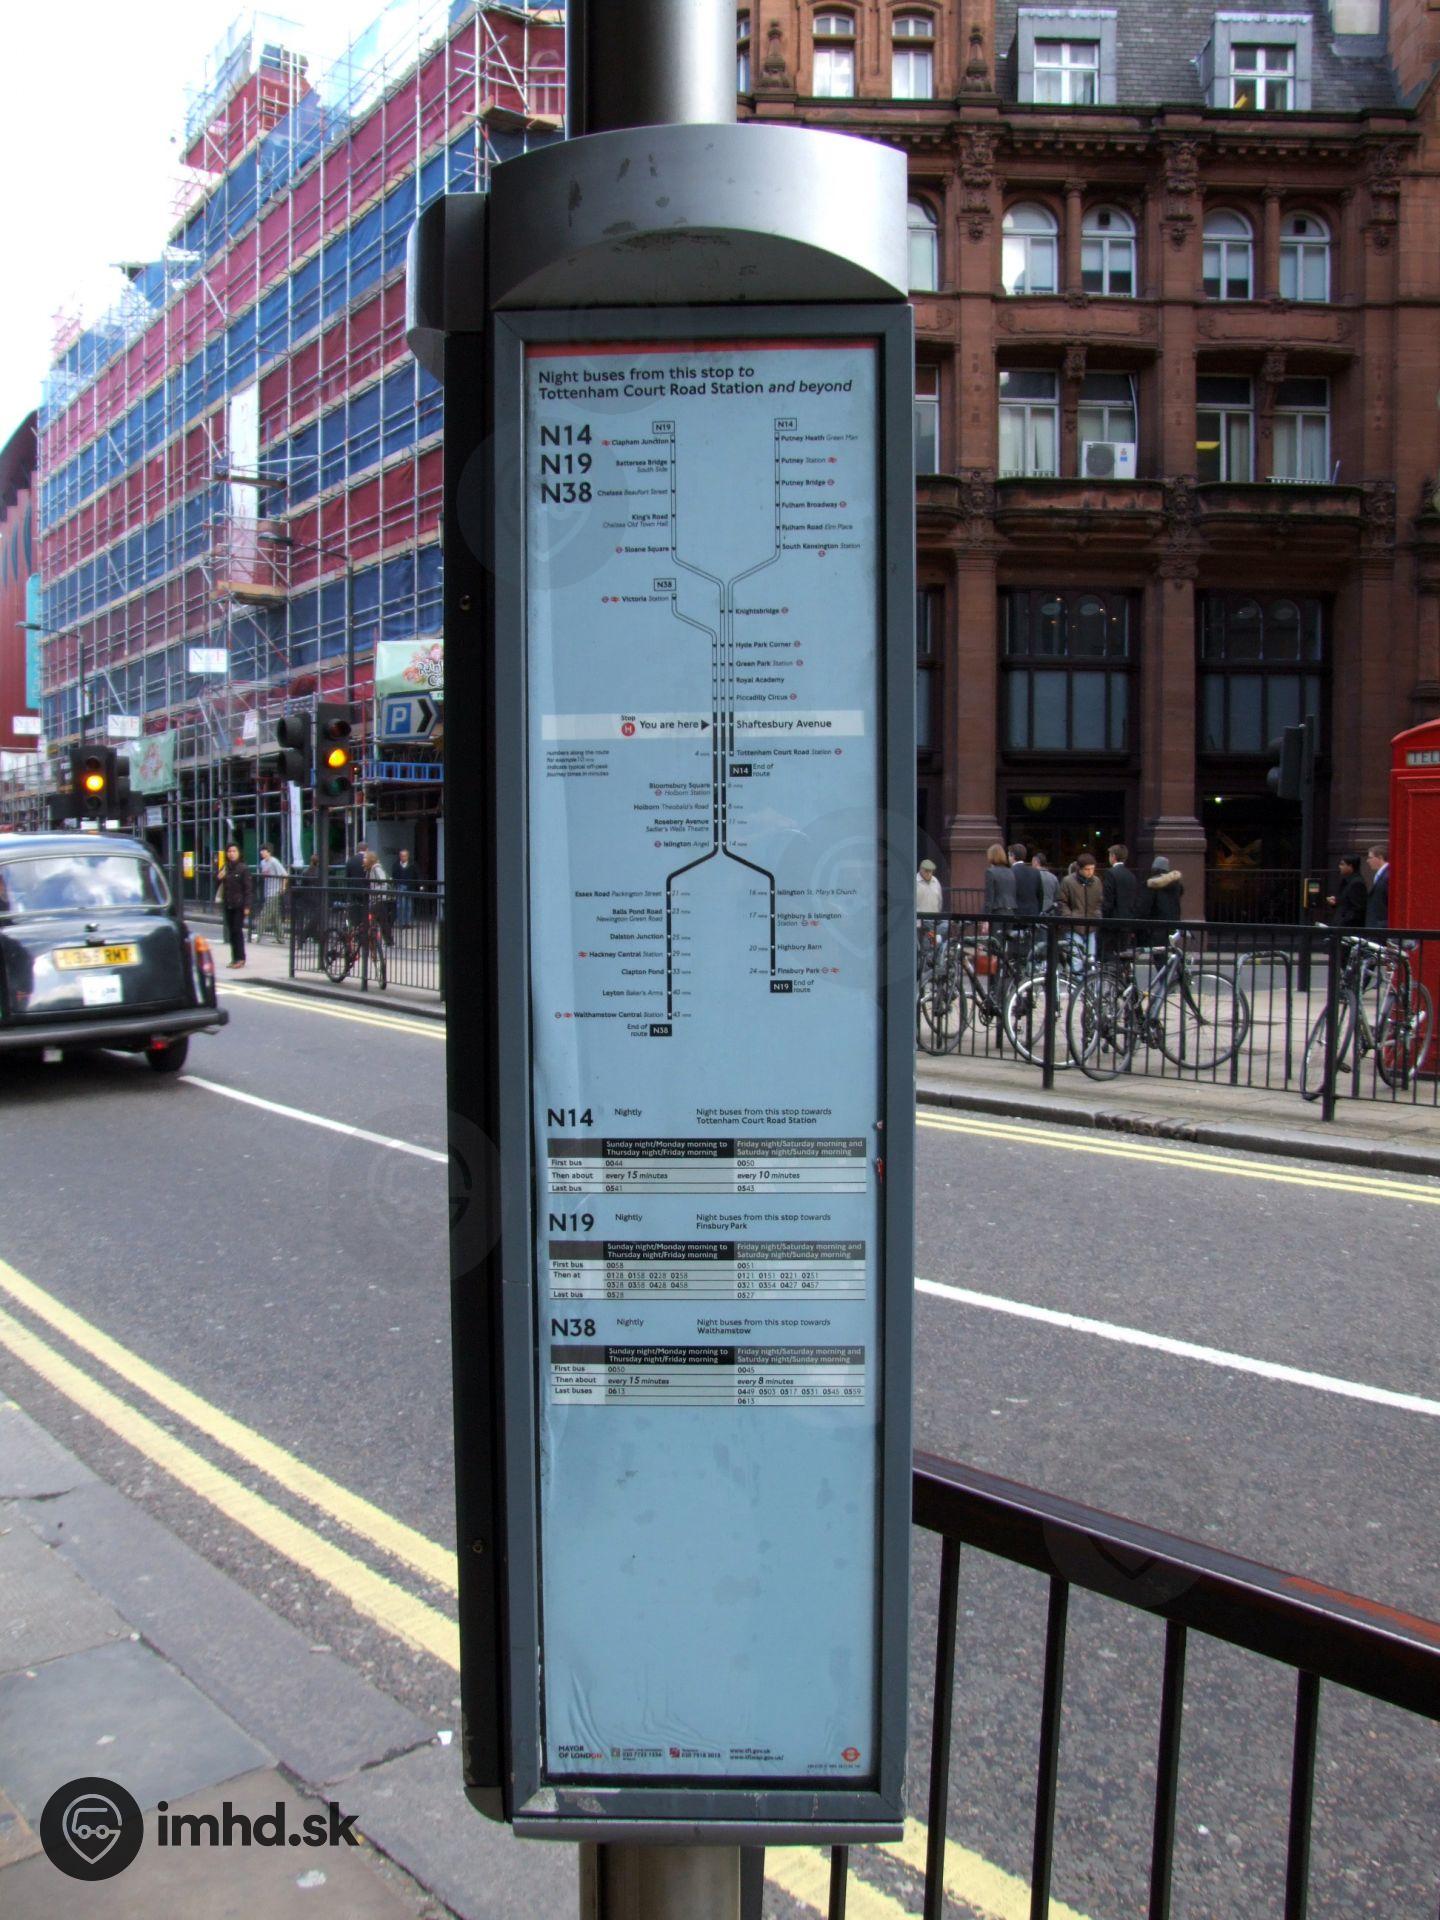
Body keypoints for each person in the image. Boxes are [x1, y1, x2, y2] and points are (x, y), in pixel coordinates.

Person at [216, 842, 252, 968]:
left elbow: (248, 889)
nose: (231, 854)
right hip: (228, 903)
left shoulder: (243, 868)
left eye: (234, 851)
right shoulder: (225, 867)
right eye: (229, 851)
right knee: (231, 932)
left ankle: (241, 958)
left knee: (237, 931)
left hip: (239, 905)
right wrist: (219, 878)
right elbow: (218, 885)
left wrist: (247, 906)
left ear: (239, 853)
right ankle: (234, 958)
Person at [254, 844, 289, 944]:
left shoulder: (274, 862)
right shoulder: (262, 863)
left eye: (264, 850)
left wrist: (283, 887)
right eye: (261, 850)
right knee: (275, 916)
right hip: (267, 891)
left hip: (274, 892)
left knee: (264, 914)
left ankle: (256, 935)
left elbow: (285, 874)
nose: (261, 852)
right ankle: (280, 938)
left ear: (269, 852)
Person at [1101, 843, 1143, 923]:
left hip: (1113, 921)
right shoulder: (1131, 875)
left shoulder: (1110, 873)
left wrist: (1105, 916)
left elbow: (1108, 898)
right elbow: (1136, 899)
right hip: (1128, 919)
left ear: (1113, 856)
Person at [1058, 850, 1103, 921]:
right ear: (1079, 869)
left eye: (1092, 869)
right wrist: (1068, 917)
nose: (1090, 872)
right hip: (1074, 923)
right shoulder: (1068, 881)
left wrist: (1098, 915)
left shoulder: (1097, 881)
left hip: (1093, 922)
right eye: (1087, 869)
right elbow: (1062, 902)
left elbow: (1100, 902)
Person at [1325, 856, 1368, 929]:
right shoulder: (1347, 881)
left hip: (1349, 927)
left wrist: (1342, 922)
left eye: (1342, 864)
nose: (1339, 867)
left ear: (1350, 866)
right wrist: (1336, 902)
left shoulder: (1357, 883)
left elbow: (1358, 909)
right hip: (1342, 925)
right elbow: (1346, 902)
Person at [1145, 854, 1185, 925]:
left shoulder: (1152, 884)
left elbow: (1145, 906)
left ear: (1154, 869)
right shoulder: (1177, 885)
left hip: (1156, 924)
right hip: (1174, 922)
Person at [983, 842, 1016, 919]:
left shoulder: (990, 872)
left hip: (997, 910)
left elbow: (989, 896)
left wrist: (985, 915)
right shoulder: (1010, 871)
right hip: (1011, 910)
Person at [1010, 842, 1044, 916]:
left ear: (1012, 855)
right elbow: (1040, 896)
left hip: (1016, 914)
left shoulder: (1010, 872)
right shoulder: (1035, 872)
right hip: (1033, 913)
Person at [392, 848, 419, 932]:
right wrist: (395, 884)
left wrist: (418, 885)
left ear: (407, 856)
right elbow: (394, 875)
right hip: (400, 886)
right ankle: (401, 922)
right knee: (401, 905)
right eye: (401, 856)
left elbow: (416, 875)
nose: (403, 857)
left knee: (409, 905)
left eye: (404, 856)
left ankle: (408, 922)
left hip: (409, 886)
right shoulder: (396, 865)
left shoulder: (412, 865)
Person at [1365, 845, 1390, 929]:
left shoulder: (1387, 876)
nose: (1367, 861)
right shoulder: (1382, 875)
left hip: (1381, 926)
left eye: (1370, 858)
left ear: (1380, 857)